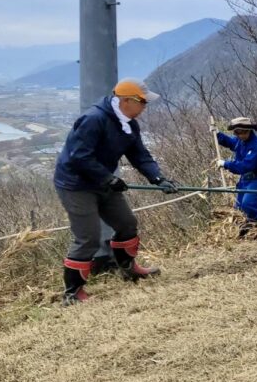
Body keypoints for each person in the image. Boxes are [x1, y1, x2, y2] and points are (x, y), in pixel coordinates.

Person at [53, 78, 179, 305]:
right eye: (142, 102)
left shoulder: (130, 124)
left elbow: (140, 155)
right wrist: (108, 178)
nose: (145, 106)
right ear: (126, 101)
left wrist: (158, 178)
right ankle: (73, 293)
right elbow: (79, 157)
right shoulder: (94, 120)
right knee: (88, 237)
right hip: (76, 185)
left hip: (103, 182)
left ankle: (129, 269)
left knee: (126, 223)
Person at [214, 117, 257, 237]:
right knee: (238, 209)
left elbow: (245, 166)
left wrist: (226, 164)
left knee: (247, 203)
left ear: (249, 130)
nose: (241, 135)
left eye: (243, 132)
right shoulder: (240, 141)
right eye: (237, 132)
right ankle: (246, 229)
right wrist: (218, 134)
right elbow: (231, 143)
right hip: (245, 180)